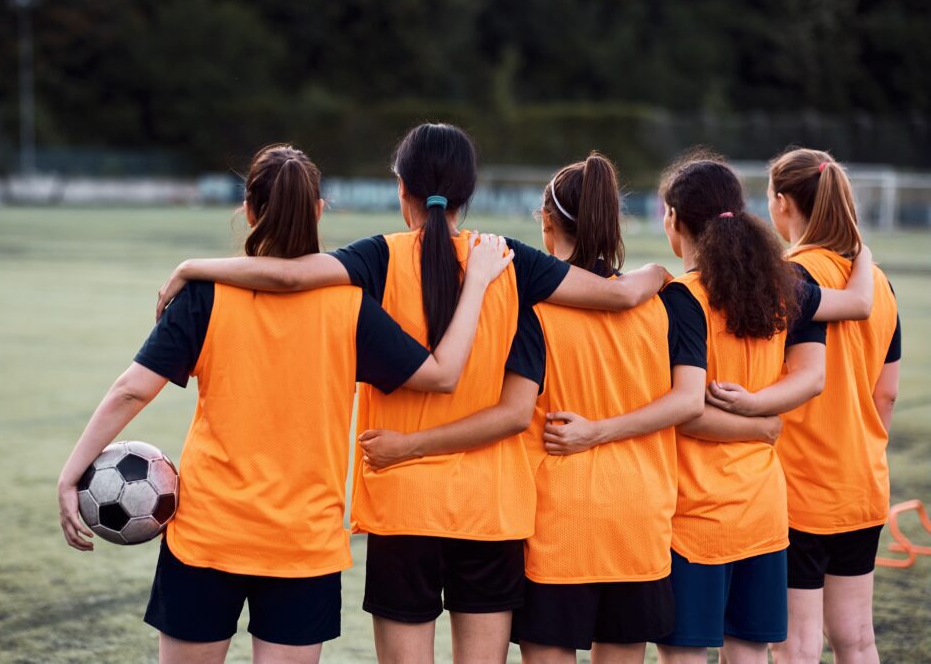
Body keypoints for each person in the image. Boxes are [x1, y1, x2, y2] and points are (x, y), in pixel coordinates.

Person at [153, 123, 671, 663]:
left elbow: (287, 278)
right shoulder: (509, 262)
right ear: (469, 194)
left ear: (402, 189)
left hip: (402, 502)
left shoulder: (378, 258)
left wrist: (193, 266)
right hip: (491, 510)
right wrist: (657, 272)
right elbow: (620, 295)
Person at [359, 152, 871, 664]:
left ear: (546, 220)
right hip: (643, 523)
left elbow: (514, 410)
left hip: (560, 527)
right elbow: (696, 392)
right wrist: (761, 421)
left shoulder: (537, 308)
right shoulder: (663, 300)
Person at [56, 144, 515, 664]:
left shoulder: (205, 296)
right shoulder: (350, 305)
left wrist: (71, 474)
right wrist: (476, 282)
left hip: (209, 535)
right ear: (319, 211)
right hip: (304, 544)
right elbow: (439, 375)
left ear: (248, 210)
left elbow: (131, 390)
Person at [653, 156, 874, 664]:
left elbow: (683, 409)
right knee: (750, 653)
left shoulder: (680, 299)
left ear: (672, 218)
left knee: (684, 654)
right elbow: (855, 308)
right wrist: (762, 425)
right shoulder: (781, 289)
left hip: (695, 514)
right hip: (763, 511)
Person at [740, 149, 898, 664]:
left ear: (783, 202)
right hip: (862, 482)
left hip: (798, 486)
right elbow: (886, 393)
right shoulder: (875, 282)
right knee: (856, 639)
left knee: (796, 646)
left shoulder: (785, 277)